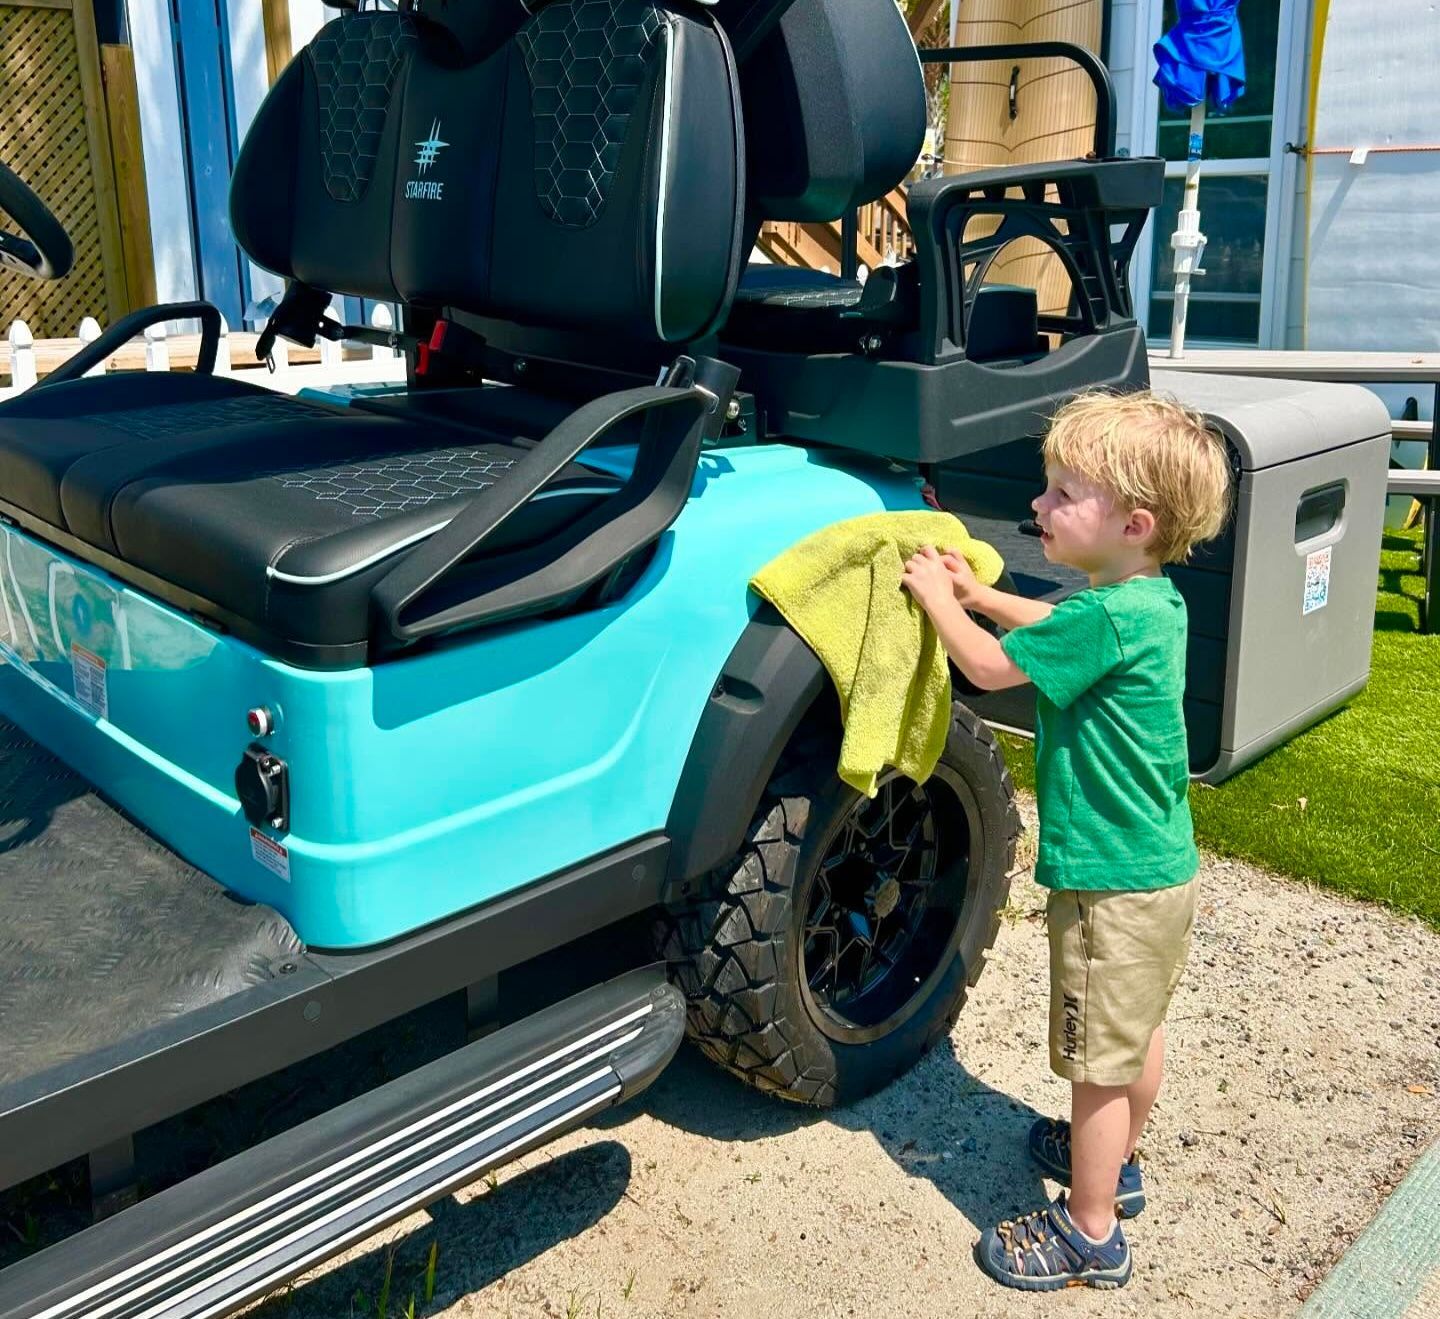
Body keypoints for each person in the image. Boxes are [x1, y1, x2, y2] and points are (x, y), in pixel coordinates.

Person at [901, 390, 1232, 1292]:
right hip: (1161, 871)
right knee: (1136, 1033)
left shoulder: (1105, 615)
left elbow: (988, 668)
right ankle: (1117, 1162)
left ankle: (1090, 1231)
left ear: (1133, 521)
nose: (1039, 506)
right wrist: (986, 590)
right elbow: (1056, 629)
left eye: (1061, 495)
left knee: (1093, 1063)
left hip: (1108, 883)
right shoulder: (1150, 601)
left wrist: (941, 600)